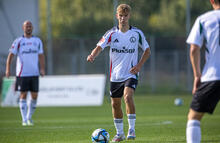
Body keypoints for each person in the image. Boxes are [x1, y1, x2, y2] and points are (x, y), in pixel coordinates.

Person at [87, 4, 150, 142]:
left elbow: (147, 50)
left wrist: (139, 65)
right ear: (117, 16)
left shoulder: (137, 33)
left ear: (129, 16)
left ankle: (131, 129)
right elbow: (99, 46)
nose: (123, 18)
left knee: (127, 97)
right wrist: (92, 55)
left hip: (130, 73)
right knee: (115, 104)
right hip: (115, 76)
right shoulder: (111, 34)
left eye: (125, 16)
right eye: (120, 16)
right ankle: (120, 133)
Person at [186, 0, 220, 142]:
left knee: (194, 118)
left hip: (213, 75)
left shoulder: (204, 19)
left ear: (212, 0)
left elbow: (194, 49)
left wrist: (197, 75)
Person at [5, 20, 45, 126]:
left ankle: (29, 118)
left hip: (34, 73)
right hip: (22, 74)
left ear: (32, 28)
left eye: (30, 26)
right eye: (27, 26)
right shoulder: (18, 41)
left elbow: (41, 56)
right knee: (23, 95)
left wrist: (42, 69)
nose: (29, 27)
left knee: (34, 95)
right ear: (23, 28)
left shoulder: (37, 41)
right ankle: (24, 120)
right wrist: (8, 69)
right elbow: (11, 56)